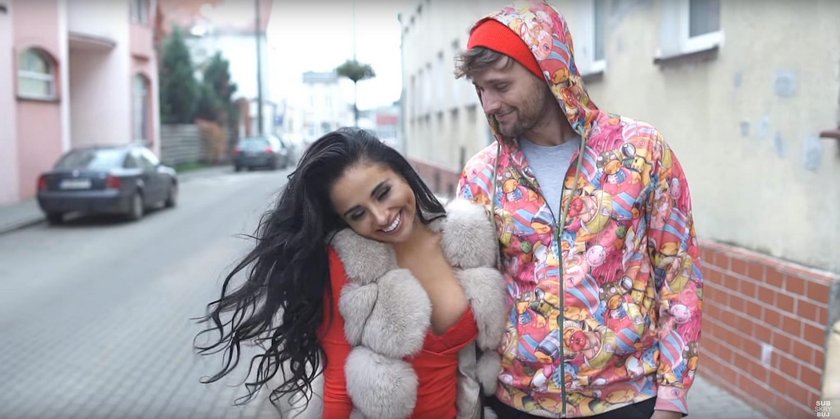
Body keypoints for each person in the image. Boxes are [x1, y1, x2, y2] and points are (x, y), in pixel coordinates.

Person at [454, 1, 704, 419]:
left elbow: (679, 275)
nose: (490, 104)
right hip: (519, 404)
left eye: (500, 85)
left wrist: (672, 399)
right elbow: (470, 295)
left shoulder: (641, 151)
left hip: (628, 401)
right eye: (480, 91)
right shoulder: (481, 175)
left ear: (547, 70)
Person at [195, 127, 508, 418]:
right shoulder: (349, 265)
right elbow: (336, 380)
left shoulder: (466, 240)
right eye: (358, 213)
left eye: (382, 192)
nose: (381, 217)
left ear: (402, 172)